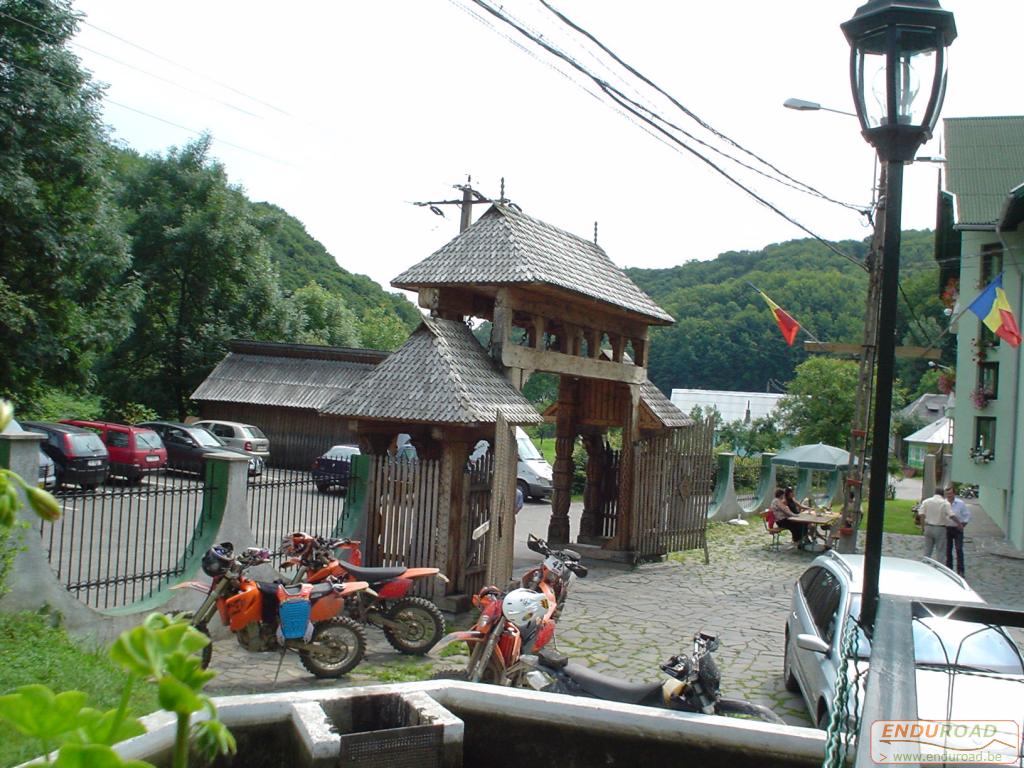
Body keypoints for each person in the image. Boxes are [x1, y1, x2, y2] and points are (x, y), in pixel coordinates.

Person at [917, 486, 952, 560]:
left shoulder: (926, 501)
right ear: (943, 494)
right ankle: (939, 567)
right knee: (940, 551)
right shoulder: (945, 503)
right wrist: (958, 523)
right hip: (940, 528)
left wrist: (923, 527)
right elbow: (951, 515)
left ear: (935, 493)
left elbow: (921, 515)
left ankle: (925, 564)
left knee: (927, 550)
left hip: (928, 527)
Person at [944, 484, 970, 576]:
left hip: (957, 529)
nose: (949, 496)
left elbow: (967, 515)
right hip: (947, 529)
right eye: (947, 494)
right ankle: (949, 569)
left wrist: (962, 525)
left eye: (950, 493)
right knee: (948, 550)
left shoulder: (960, 503)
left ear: (954, 494)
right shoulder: (944, 503)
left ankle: (961, 570)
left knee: (959, 549)